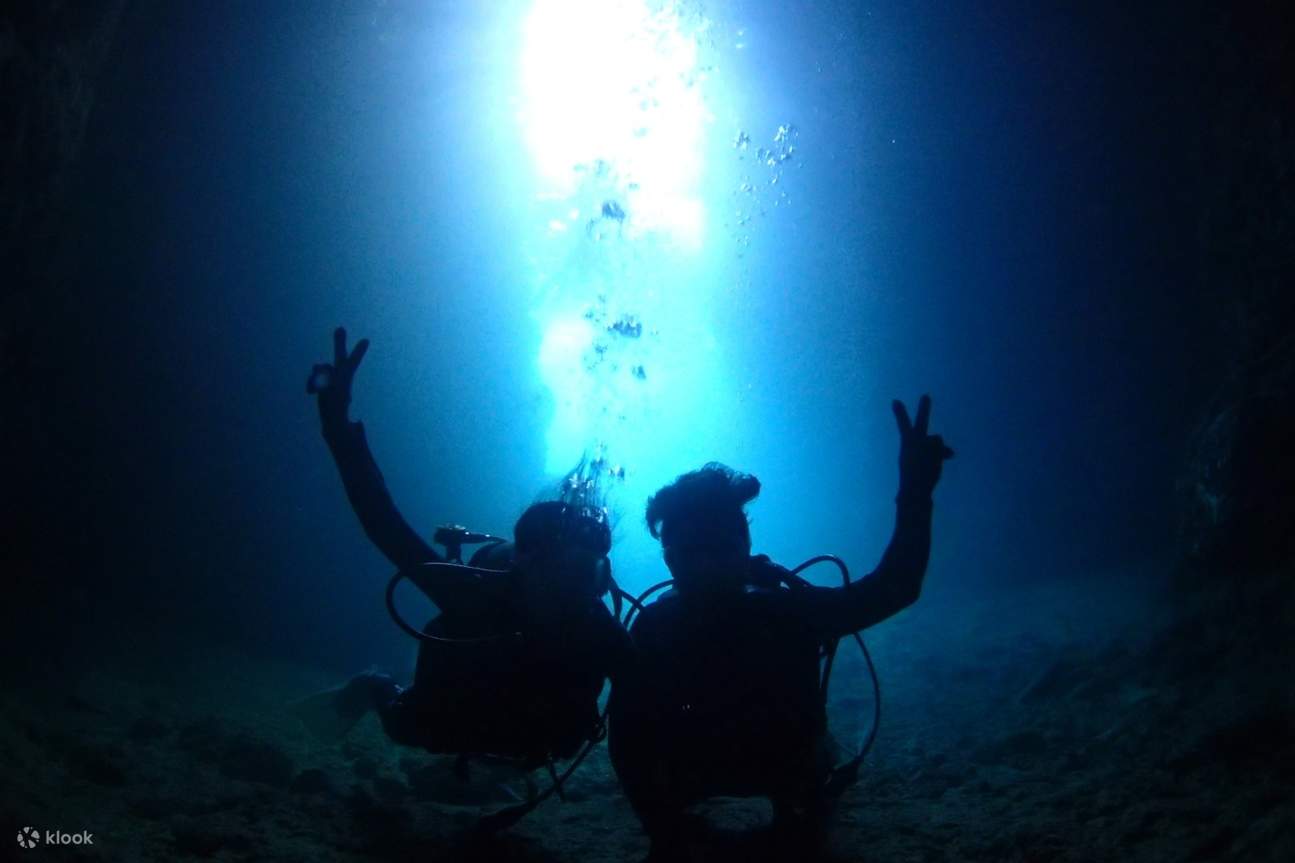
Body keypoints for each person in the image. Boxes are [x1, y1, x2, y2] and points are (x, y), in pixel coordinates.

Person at [608, 396, 953, 859]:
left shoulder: (782, 613)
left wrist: (915, 490)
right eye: (692, 552)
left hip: (780, 774)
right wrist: (663, 828)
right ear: (670, 559)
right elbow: (627, 741)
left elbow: (896, 588)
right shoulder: (658, 630)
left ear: (745, 546)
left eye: (719, 548)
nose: (707, 566)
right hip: (699, 776)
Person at [292, 327, 630, 770]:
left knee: (551, 741)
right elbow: (383, 524)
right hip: (448, 716)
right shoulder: (473, 595)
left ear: (600, 580)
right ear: (524, 566)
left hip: (529, 736)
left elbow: (658, 688)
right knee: (408, 728)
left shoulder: (598, 628)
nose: (569, 593)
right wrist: (337, 428)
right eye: (558, 576)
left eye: (586, 578)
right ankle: (373, 685)